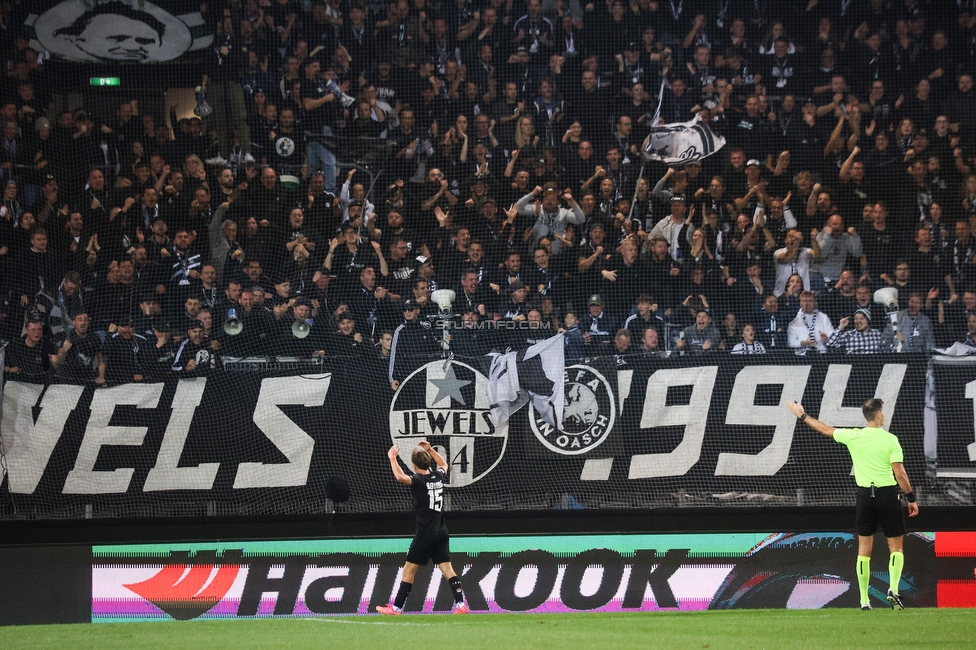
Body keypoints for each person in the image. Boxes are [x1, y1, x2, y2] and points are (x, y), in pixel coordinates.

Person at [786, 398, 918, 610]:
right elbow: (900, 473)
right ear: (879, 415)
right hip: (887, 495)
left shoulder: (854, 435)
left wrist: (802, 415)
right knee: (896, 547)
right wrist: (911, 497)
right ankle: (893, 588)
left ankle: (864, 600)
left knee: (863, 550)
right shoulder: (890, 439)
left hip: (865, 496)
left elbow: (825, 429)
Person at [377, 442, 469, 615]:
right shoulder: (438, 476)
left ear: (414, 465)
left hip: (426, 533)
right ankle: (460, 605)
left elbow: (400, 477)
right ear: (428, 463)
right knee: (447, 569)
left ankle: (396, 608)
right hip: (441, 531)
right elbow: (444, 465)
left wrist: (392, 458)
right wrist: (431, 450)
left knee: (408, 571)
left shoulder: (418, 480)